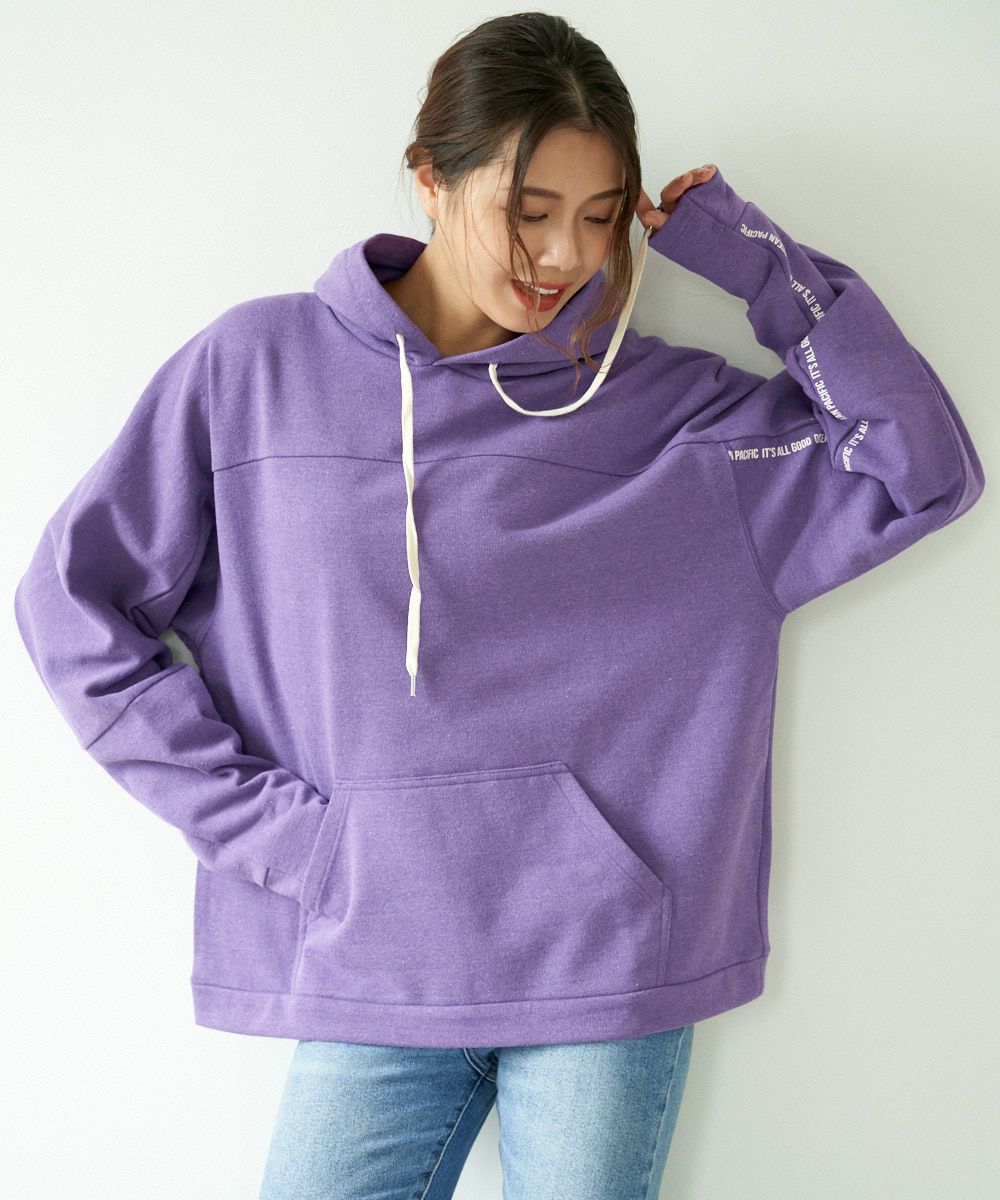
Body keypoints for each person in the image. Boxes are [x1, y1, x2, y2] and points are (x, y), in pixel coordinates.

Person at [12, 11, 985, 1199]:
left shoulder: (675, 421)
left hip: (602, 968)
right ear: (428, 177)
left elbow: (919, 470)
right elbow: (73, 611)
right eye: (529, 211)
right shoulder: (254, 373)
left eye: (599, 214)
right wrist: (288, 843)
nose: (564, 255)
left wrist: (758, 267)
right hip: (370, 952)